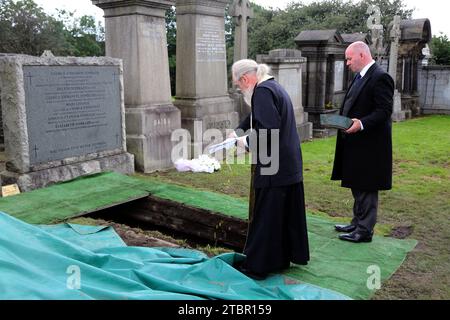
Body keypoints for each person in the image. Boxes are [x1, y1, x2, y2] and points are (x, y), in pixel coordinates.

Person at [229, 59, 309, 280]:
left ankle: (258, 266)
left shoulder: (262, 92)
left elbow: (268, 131)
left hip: (275, 166)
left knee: (267, 217)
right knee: (280, 217)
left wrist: (244, 144)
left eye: (238, 85)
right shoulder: (272, 86)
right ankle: (280, 259)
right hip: (288, 164)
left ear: (245, 79)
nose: (239, 89)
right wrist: (238, 130)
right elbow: (257, 116)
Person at [331, 41, 394, 243]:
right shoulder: (361, 76)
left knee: (366, 186)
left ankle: (365, 230)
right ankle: (357, 222)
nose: (347, 63)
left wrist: (361, 124)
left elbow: (384, 111)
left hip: (370, 145)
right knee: (357, 183)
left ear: (361, 55)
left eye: (349, 58)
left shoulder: (380, 77)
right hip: (354, 142)